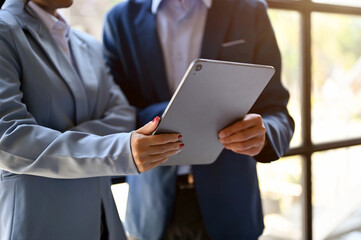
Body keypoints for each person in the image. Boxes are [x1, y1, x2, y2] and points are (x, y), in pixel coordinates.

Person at [103, 0, 295, 239]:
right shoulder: (119, 19)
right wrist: (181, 109)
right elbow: (114, 115)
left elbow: (276, 110)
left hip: (232, 205)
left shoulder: (250, 10)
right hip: (152, 207)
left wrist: (264, 133)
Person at [0, 0, 184, 239]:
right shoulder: (5, 31)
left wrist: (55, 139)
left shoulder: (87, 44)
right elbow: (8, 138)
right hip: (40, 223)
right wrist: (115, 149)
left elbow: (122, 115)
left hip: (102, 222)